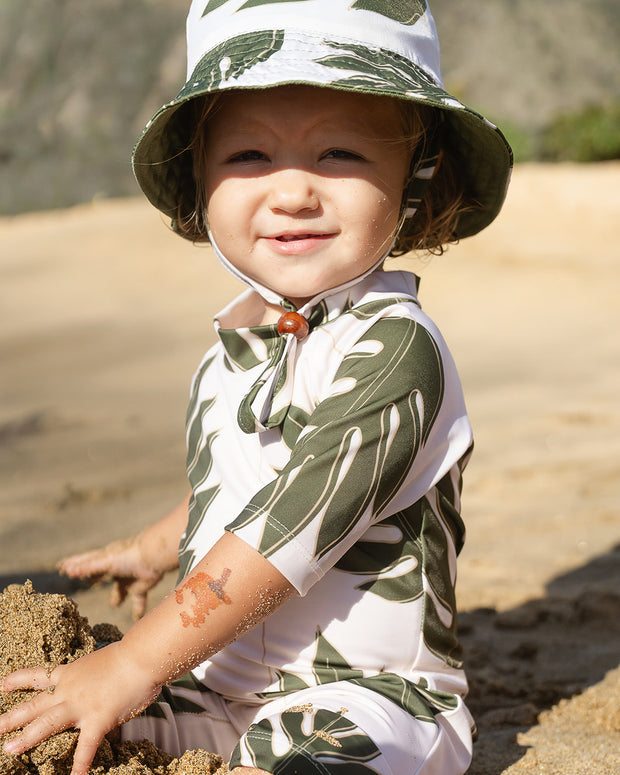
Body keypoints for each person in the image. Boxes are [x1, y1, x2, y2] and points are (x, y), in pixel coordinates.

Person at [0, 2, 512, 774]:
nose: (294, 192)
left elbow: (287, 528)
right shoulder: (232, 355)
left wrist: (134, 660)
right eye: (247, 156)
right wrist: (157, 544)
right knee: (50, 723)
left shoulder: (398, 353)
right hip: (214, 687)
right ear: (198, 176)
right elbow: (245, 480)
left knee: (304, 754)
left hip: (367, 697)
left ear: (416, 172)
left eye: (339, 152)